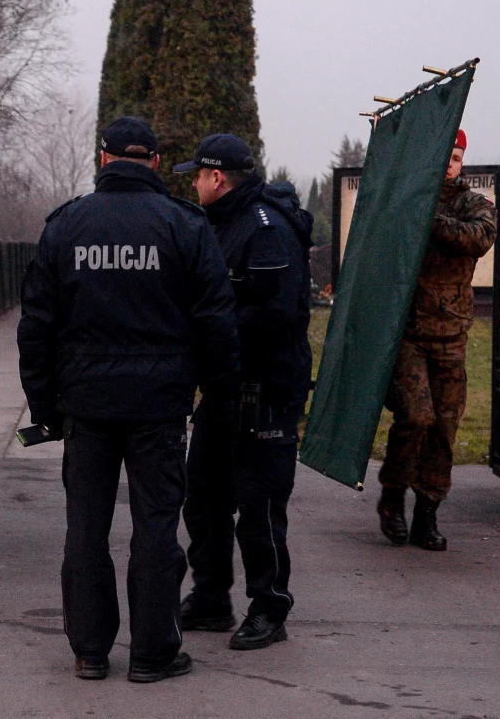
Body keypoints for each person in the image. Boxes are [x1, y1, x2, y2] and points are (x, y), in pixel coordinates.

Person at [17, 117, 239, 683]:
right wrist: (219, 400)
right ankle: (153, 653)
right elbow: (216, 324)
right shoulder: (184, 226)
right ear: (158, 163)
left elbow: (38, 324)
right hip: (159, 408)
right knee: (156, 529)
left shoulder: (67, 225)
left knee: (85, 528)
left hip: (86, 406)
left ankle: (90, 651)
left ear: (104, 158)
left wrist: (43, 408)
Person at [174, 134, 314, 651]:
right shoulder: (217, 223)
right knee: (204, 495)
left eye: (198, 175)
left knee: (259, 505)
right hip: (224, 388)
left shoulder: (265, 229)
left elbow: (276, 315)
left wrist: (210, 329)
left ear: (217, 178)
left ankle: (269, 607)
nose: (192, 183)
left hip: (266, 386)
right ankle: (212, 597)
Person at [377, 129, 496, 551]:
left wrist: (428, 216)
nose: (451, 164)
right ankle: (393, 499)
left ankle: (428, 512)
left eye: (458, 158)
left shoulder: (472, 203)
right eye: (446, 155)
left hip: (451, 335)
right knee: (417, 416)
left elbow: (477, 238)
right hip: (408, 334)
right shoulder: (405, 199)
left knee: (445, 429)